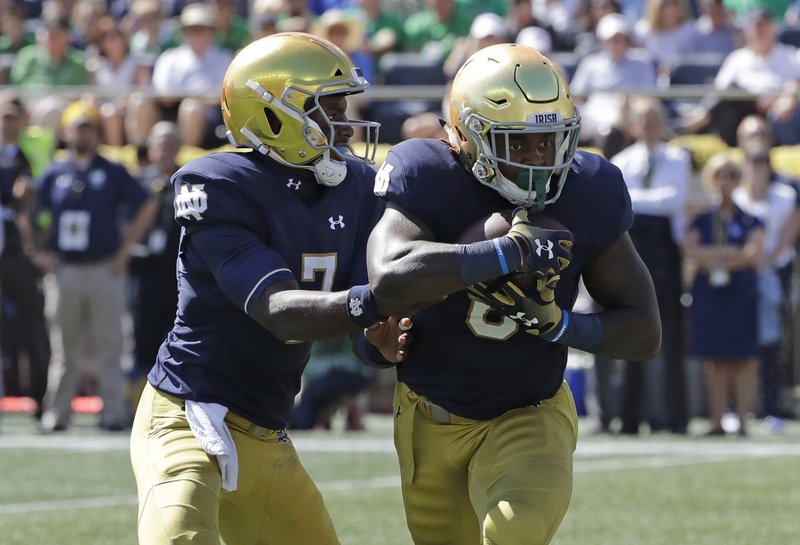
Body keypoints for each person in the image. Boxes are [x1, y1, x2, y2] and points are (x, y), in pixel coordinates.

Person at [365, 43, 660, 545]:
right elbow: (389, 276)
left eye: (549, 140)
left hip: (531, 410)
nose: (537, 158)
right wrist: (508, 253)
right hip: (427, 412)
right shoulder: (427, 172)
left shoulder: (588, 187)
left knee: (513, 530)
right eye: (516, 143)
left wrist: (565, 326)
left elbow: (643, 330)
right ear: (465, 136)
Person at [129, 32, 406, 545]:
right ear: (274, 113)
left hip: (265, 428)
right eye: (330, 108)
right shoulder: (217, 182)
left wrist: (379, 341)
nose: (346, 124)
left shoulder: (355, 187)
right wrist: (383, 299)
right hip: (189, 415)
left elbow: (359, 320)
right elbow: (279, 310)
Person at [35, 100, 157, 433]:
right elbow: (32, 214)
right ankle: (57, 413)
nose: (82, 134)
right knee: (64, 348)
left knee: (110, 345)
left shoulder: (112, 170)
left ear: (95, 133)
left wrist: (125, 249)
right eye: (77, 127)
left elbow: (146, 204)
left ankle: (114, 412)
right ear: (66, 132)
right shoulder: (55, 172)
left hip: (105, 268)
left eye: (88, 128)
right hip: (66, 271)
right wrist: (38, 252)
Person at [610, 97, 690, 435]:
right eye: (644, 120)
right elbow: (621, 204)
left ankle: (676, 417)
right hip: (633, 249)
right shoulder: (622, 161)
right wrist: (652, 201)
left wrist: (641, 202)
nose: (650, 126)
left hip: (665, 254)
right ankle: (630, 417)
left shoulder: (678, 157)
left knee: (671, 337)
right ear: (634, 125)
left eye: (655, 119)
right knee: (632, 331)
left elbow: (675, 199)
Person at [684, 153, 763, 436]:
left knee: (743, 358)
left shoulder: (750, 218)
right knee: (713, 359)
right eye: (720, 175)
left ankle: (742, 419)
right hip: (710, 293)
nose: (725, 181)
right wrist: (729, 253)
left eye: (731, 175)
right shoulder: (702, 219)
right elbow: (692, 251)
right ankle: (718, 420)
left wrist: (715, 258)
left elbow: (753, 254)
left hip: (740, 292)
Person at [733, 114, 800, 432]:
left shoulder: (789, 187)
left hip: (777, 270)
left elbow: (788, 232)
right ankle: (744, 407)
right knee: (741, 339)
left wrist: (766, 259)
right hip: (744, 272)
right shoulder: (734, 186)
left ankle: (774, 404)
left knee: (776, 339)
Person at [0, 94, 51, 420]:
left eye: (12, 117)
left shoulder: (33, 153)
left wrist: (39, 245)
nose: (8, 124)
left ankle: (40, 398)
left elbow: (44, 200)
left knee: (34, 326)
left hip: (22, 252)